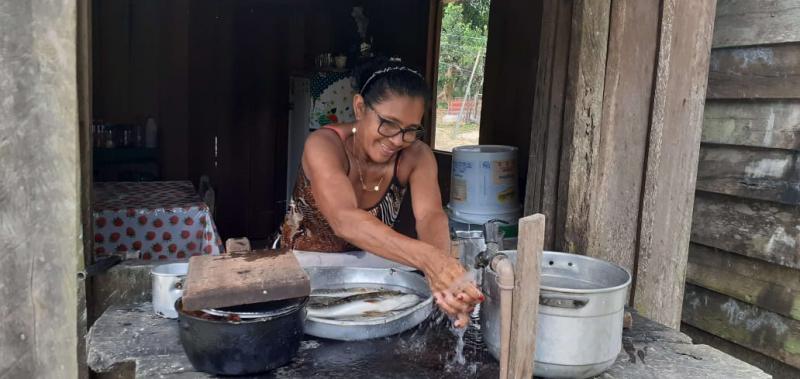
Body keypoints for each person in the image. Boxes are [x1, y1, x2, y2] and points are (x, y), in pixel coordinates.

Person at [280, 57, 483, 327]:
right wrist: (428, 259)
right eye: (388, 123)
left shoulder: (416, 156)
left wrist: (446, 281)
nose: (398, 140)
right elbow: (344, 218)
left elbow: (430, 216)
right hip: (304, 270)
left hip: (370, 274)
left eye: (410, 130)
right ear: (360, 107)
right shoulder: (324, 145)